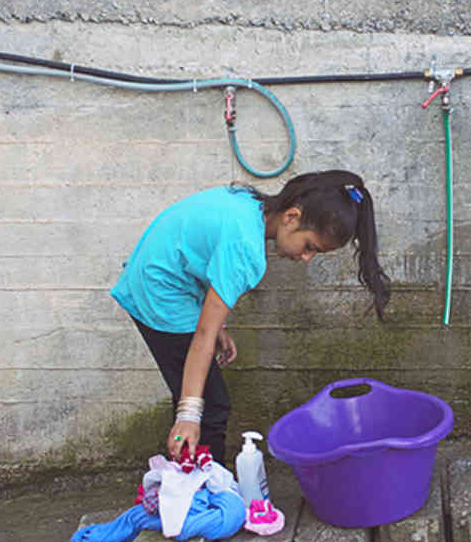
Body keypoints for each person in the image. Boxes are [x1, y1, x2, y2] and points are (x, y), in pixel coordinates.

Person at [111, 170, 390, 462]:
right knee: (209, 408)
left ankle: (190, 473)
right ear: (292, 216)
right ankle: (205, 492)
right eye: (309, 246)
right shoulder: (246, 250)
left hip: (159, 272)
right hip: (159, 292)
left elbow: (204, 257)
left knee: (196, 396)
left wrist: (219, 325)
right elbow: (203, 336)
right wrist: (189, 414)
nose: (306, 258)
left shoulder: (247, 203)